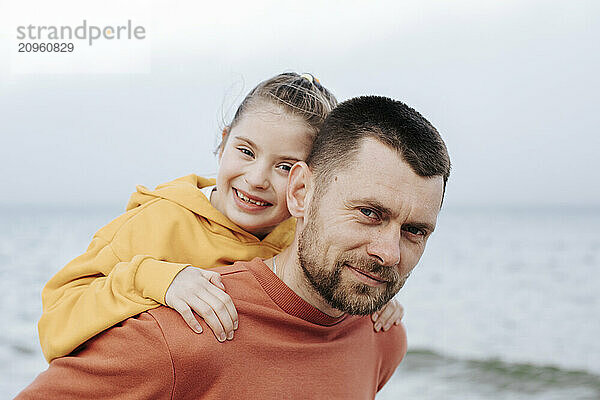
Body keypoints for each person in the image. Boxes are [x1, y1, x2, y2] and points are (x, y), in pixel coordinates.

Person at [17, 95, 451, 399]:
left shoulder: (380, 337)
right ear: (305, 193)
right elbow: (60, 312)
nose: (388, 254)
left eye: (414, 230)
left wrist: (368, 290)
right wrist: (154, 276)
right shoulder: (171, 319)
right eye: (369, 213)